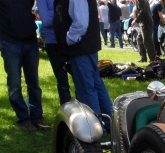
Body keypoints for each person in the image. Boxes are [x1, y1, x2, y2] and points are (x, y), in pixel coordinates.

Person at [54, 0, 113, 131]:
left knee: (86, 88)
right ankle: (112, 125)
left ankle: (94, 128)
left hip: (81, 48)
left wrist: (69, 39)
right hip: (85, 47)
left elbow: (80, 23)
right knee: (96, 85)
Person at [0, 0, 47, 131]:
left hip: (30, 41)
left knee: (34, 84)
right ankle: (24, 119)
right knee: (15, 85)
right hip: (9, 42)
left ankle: (37, 117)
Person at [36, 0, 72, 105]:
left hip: (70, 40)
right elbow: (46, 21)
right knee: (62, 80)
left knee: (79, 77)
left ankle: (83, 110)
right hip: (54, 42)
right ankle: (67, 109)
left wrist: (59, 15)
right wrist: (65, 16)